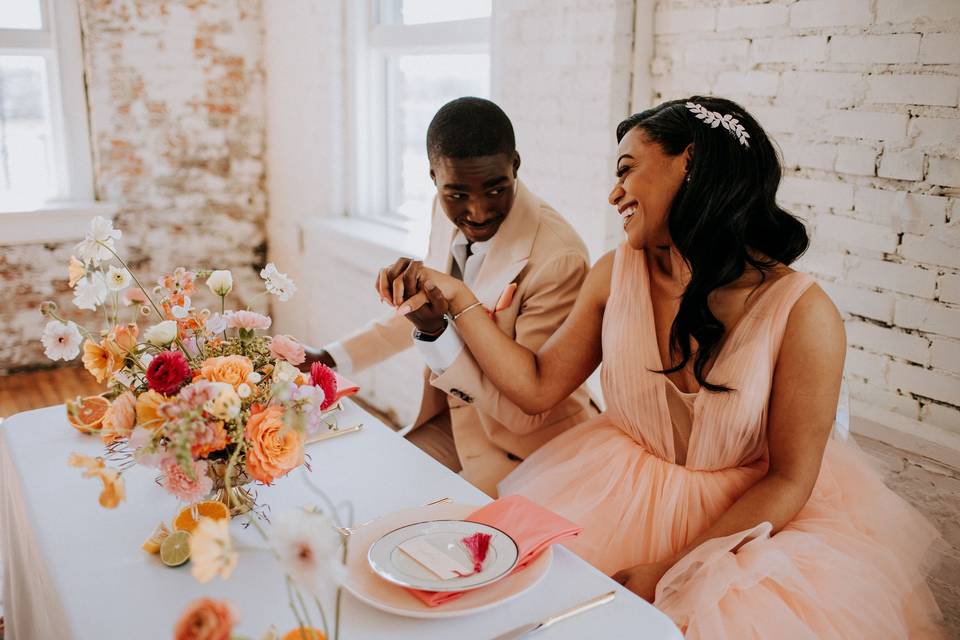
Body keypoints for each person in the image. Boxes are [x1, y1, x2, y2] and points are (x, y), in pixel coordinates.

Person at [379, 96, 944, 638]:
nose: (613, 192)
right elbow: (536, 387)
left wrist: (677, 566)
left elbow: (791, 477)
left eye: (627, 169)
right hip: (606, 494)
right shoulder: (615, 271)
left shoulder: (804, 314)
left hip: (745, 533)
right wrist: (455, 299)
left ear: (690, 166)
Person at [305, 97, 596, 497]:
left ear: (516, 165)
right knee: (355, 489)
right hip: (454, 420)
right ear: (434, 178)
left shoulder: (559, 259)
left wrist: (439, 335)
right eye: (457, 194)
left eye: (495, 190)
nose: (476, 211)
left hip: (529, 449)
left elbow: (529, 408)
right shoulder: (444, 209)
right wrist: (330, 358)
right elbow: (424, 307)